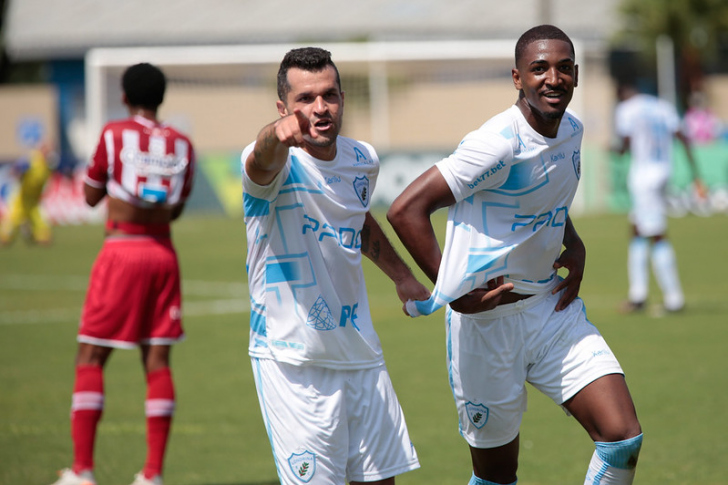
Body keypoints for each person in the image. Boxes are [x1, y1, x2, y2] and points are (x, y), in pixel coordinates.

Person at [387, 25, 643, 485]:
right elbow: (406, 210)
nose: (553, 78)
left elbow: (550, 198)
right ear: (517, 77)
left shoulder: (572, 131)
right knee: (497, 478)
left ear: (577, 75)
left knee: (622, 440)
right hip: (487, 326)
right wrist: (455, 293)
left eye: (564, 68)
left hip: (551, 310)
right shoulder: (496, 143)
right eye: (539, 68)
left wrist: (575, 243)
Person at [241, 47, 427, 485]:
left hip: (361, 354)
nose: (319, 109)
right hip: (294, 362)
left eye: (329, 96)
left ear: (342, 97)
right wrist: (275, 134)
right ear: (283, 106)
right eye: (304, 99)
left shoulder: (363, 160)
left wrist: (403, 278)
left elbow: (356, 218)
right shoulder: (273, 163)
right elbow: (260, 159)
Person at [51, 63, 196, 485]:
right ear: (162, 98)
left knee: (91, 355)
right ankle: (152, 475)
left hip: (121, 250)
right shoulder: (182, 143)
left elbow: (91, 196)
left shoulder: (114, 135)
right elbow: (177, 207)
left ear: (125, 96)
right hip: (164, 254)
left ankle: (82, 472)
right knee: (157, 361)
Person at [613, 82, 707, 313]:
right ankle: (638, 295)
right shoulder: (662, 106)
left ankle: (674, 299)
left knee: (656, 234)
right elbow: (682, 136)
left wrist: (615, 149)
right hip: (662, 171)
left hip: (643, 176)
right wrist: (695, 173)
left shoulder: (626, 109)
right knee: (637, 228)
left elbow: (625, 144)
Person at [0, 141, 56, 246]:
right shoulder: (32, 159)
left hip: (34, 200)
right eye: (46, 149)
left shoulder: (50, 162)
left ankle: (32, 234)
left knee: (42, 228)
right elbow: (17, 167)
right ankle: (8, 236)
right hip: (21, 198)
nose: (48, 151)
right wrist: (17, 173)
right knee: (11, 223)